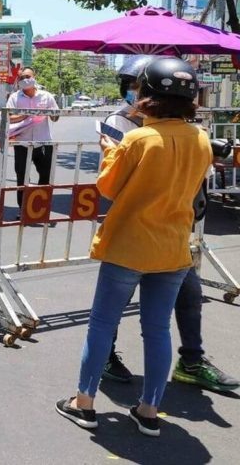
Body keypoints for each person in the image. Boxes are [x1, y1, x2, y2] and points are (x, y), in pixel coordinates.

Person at [56, 58, 212, 437]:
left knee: (102, 325)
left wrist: (111, 150)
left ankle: (84, 403)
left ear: (148, 94)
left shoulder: (138, 139)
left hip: (128, 245)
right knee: (157, 329)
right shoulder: (202, 138)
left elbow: (108, 187)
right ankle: (148, 410)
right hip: (173, 247)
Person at [99, 57, 238, 393]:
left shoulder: (186, 128)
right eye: (136, 87)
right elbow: (114, 182)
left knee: (187, 296)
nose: (138, 94)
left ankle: (191, 360)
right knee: (114, 303)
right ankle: (104, 356)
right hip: (134, 228)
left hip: (175, 227)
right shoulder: (120, 123)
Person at [5, 67, 60, 210]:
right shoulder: (15, 97)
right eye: (22, 78)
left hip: (43, 142)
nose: (25, 80)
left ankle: (40, 208)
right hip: (22, 143)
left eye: (28, 76)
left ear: (34, 77)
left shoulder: (46, 96)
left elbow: (55, 117)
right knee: (22, 178)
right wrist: (26, 115)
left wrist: (50, 112)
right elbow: (9, 117)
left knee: (45, 176)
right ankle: (23, 208)